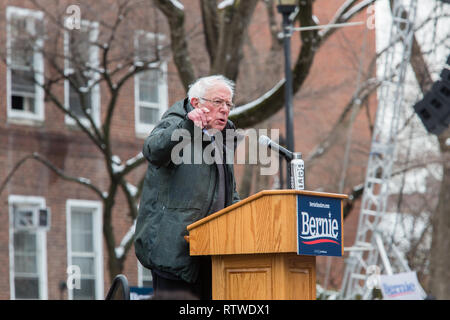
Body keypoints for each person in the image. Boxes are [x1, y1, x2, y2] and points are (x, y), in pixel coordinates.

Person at [134, 75, 241, 300]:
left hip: (213, 252)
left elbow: (227, 192)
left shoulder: (223, 137)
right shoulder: (176, 122)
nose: (224, 109)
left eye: (228, 104)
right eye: (218, 102)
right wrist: (188, 127)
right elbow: (152, 150)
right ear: (196, 103)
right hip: (175, 252)